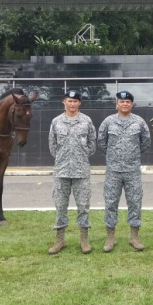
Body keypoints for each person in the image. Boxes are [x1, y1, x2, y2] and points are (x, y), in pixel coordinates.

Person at [97, 90, 151, 252]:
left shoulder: (139, 122)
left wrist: (131, 156)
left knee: (135, 203)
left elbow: (145, 143)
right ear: (117, 104)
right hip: (113, 170)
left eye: (128, 101)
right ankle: (110, 238)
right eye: (122, 101)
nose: (125, 104)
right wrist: (114, 156)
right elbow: (102, 142)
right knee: (111, 203)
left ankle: (134, 237)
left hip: (132, 170)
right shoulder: (108, 122)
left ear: (132, 104)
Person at [48, 90, 97, 255]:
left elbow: (92, 144)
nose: (73, 104)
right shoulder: (56, 122)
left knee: (83, 206)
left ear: (79, 103)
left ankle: (84, 240)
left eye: (76, 101)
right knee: (60, 206)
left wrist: (80, 155)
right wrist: (63, 158)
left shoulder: (86, 121)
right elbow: (52, 146)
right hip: (61, 171)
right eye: (70, 101)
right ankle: (60, 240)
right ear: (64, 102)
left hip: (81, 171)